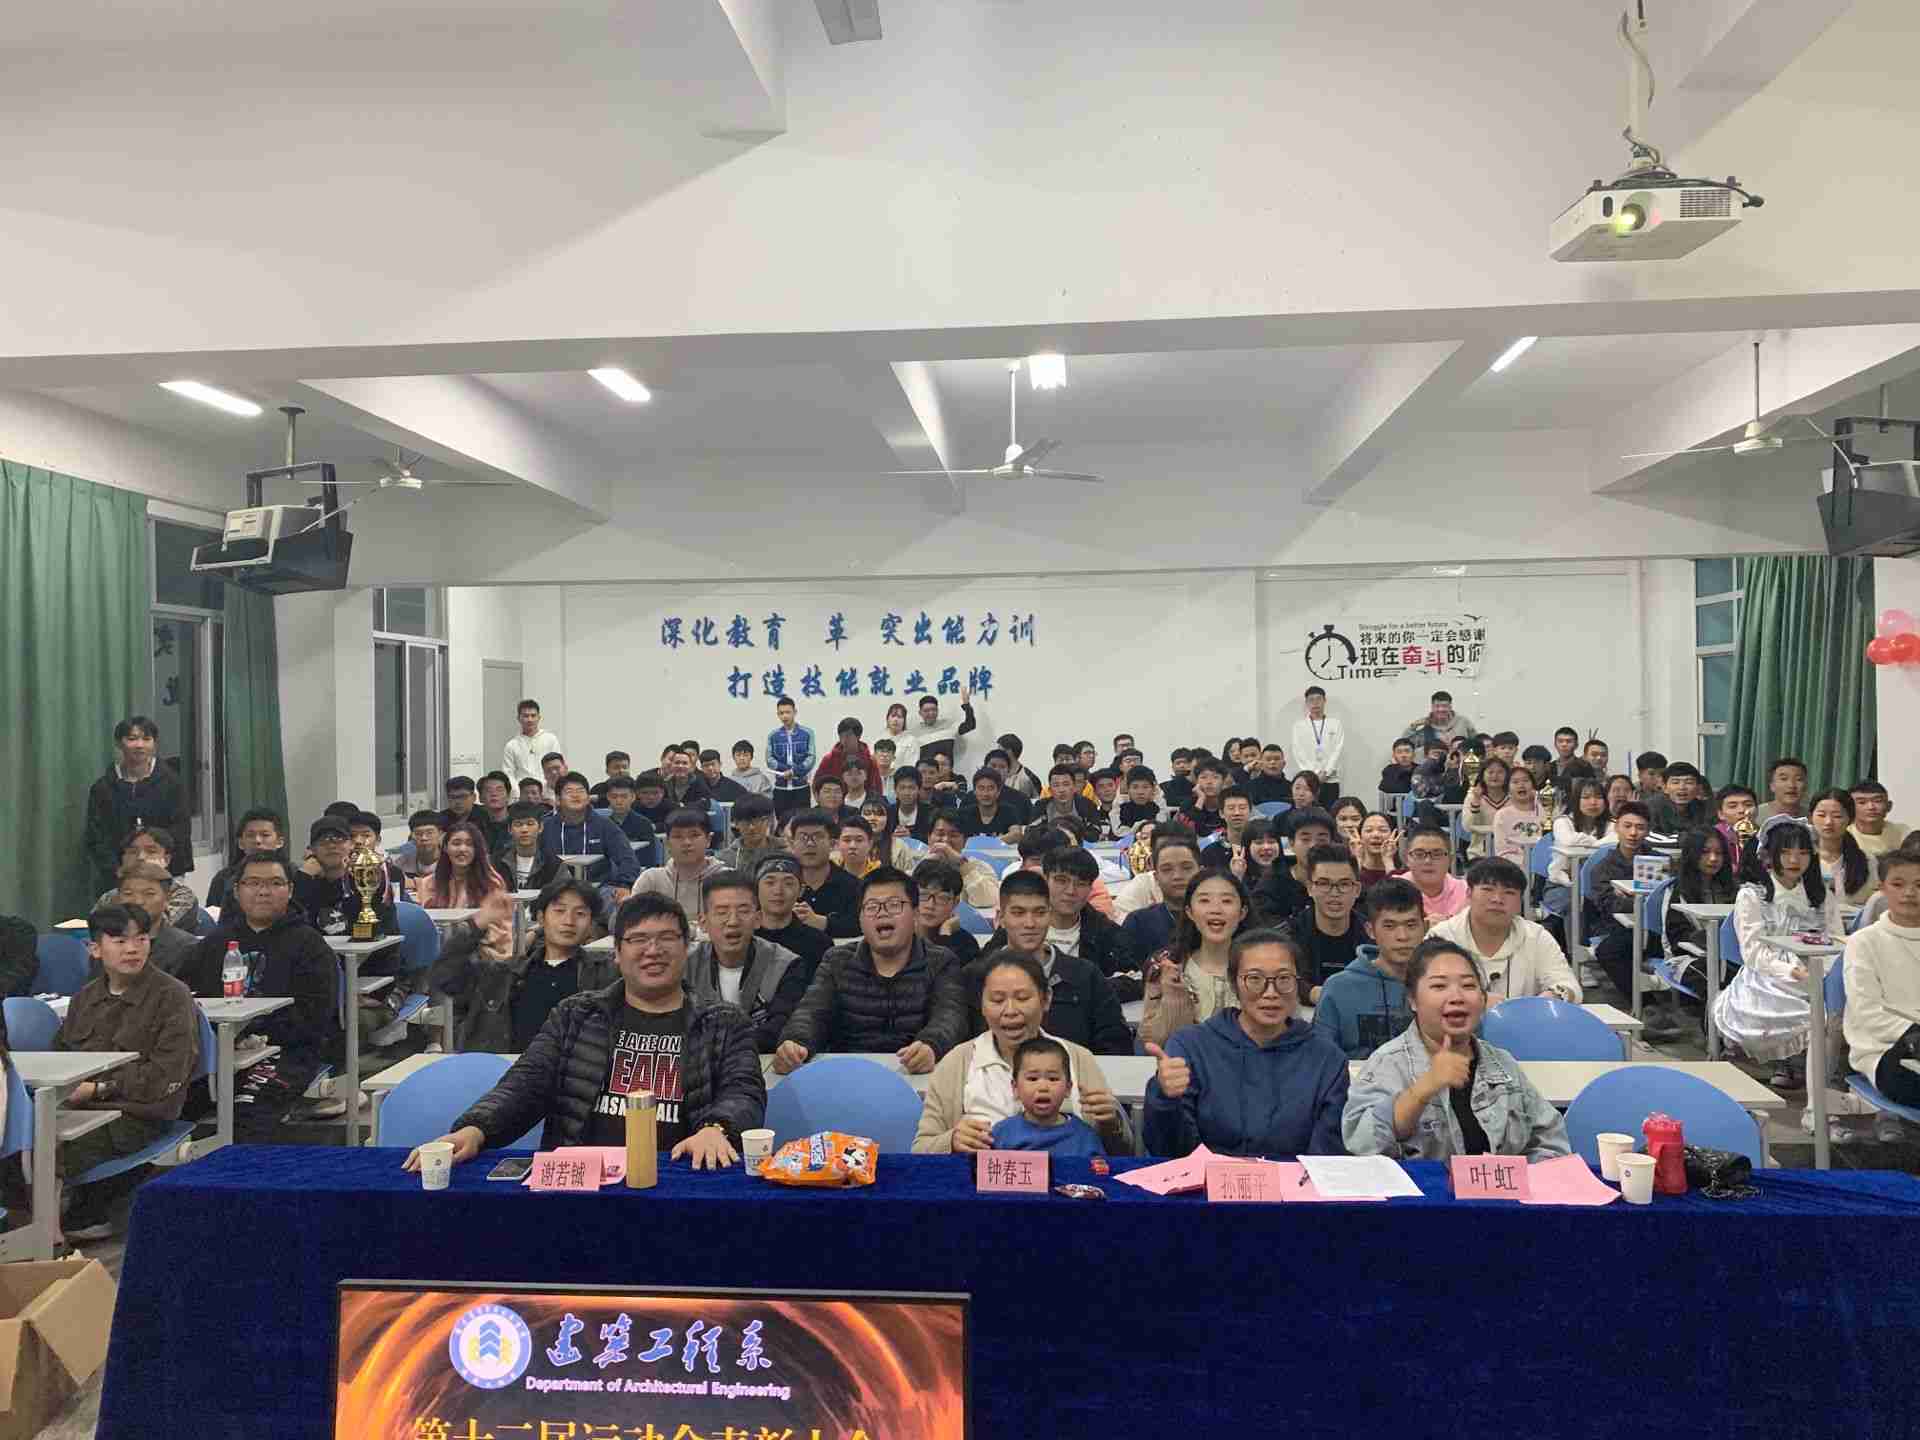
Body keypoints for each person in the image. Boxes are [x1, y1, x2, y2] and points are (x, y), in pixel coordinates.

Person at [406, 893, 766, 1172]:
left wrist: (717, 1129)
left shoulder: (723, 1021)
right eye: (638, 939)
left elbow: (744, 1091)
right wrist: (476, 1128)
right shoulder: (576, 1015)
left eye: (667, 938)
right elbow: (526, 1084)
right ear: (617, 953)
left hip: (681, 1177)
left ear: (687, 948)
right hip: (581, 1181)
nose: (653, 951)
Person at [1343, 938, 1571, 1161]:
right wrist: (1424, 1087)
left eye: (1468, 985)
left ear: (1483, 999)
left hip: (1499, 1187)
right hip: (1420, 1188)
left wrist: (1530, 1176)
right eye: (1439, 986)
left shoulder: (1502, 1064)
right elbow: (1362, 1145)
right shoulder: (1388, 1063)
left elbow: (1550, 1139)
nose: (1457, 997)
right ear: (1412, 999)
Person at [54, 904, 202, 1238]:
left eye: (141, 939)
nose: (133, 949)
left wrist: (98, 1089)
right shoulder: (84, 999)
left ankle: (48, 1241)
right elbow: (60, 1059)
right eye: (120, 941)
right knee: (19, 1142)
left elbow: (165, 1077)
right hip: (79, 1109)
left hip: (138, 1114)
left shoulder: (172, 996)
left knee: (45, 1153)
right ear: (94, 948)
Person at [1142, 929, 1349, 1158]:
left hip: (1295, 1178)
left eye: (1283, 979)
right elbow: (1168, 1149)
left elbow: (1326, 1155)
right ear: (1234, 984)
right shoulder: (1191, 1046)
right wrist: (1163, 1096)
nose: (1271, 993)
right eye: (1255, 979)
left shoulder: (1326, 1058)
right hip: (1208, 1176)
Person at [183, 852, 340, 1139]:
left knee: (250, 1112)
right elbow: (184, 995)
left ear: (290, 890)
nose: (263, 891)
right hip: (219, 1050)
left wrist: (256, 1038)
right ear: (237, 890)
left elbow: (315, 1017)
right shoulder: (215, 943)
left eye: (275, 883)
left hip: (286, 1052)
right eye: (253, 883)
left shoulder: (310, 945)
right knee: (170, 1100)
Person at [913, 954, 1131, 1155]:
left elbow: (1123, 1152)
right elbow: (921, 1149)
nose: (1010, 1011)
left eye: (1023, 998)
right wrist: (951, 1141)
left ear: (1046, 999)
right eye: (997, 1000)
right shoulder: (958, 1062)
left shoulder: (1077, 1058)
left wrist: (1111, 1125)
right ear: (982, 1005)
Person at [773, 867, 968, 1074]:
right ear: (860, 919)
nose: (882, 912)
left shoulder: (941, 961)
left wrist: (931, 1045)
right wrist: (795, 1042)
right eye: (872, 906)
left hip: (915, 1073)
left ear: (915, 913)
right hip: (848, 1074)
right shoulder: (837, 960)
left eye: (894, 905)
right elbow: (811, 1012)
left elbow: (950, 1016)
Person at [1713, 818, 1844, 1106]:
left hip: (1817, 968)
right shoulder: (1753, 894)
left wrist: (1826, 971)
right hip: (1769, 973)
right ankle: (1807, 1083)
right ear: (1769, 855)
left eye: (1803, 852)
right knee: (1813, 1015)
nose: (1795, 860)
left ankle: (1825, 1084)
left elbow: (1836, 940)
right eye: (1786, 852)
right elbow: (1753, 952)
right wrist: (1791, 971)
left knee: (1838, 1007)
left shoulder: (1820, 894)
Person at [967, 870, 1131, 1055]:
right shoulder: (975, 977)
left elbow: (1116, 1047)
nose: (1030, 923)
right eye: (1018, 913)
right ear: (1001, 919)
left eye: (1039, 913)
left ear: (1050, 915)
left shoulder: (1085, 976)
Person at [433, 881, 604, 1052]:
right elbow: (445, 976)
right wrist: (478, 923)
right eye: (559, 911)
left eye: (580, 914)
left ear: (591, 925)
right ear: (541, 919)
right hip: (509, 1065)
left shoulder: (604, 976)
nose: (569, 921)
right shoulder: (504, 975)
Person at [685, 870, 807, 1053]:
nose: (733, 921)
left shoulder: (786, 965)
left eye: (743, 911)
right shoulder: (684, 966)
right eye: (722, 912)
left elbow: (781, 1028)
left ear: (758, 919)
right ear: (703, 922)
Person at [1843, 848, 1920, 1136]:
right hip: (1885, 1051)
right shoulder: (1864, 942)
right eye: (1898, 884)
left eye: (1919, 885)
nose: (1909, 893)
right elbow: (1866, 1011)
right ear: (1882, 888)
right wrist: (1912, 1034)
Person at [1430, 858, 1582, 1003]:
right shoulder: (1442, 936)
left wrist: (1555, 995)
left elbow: (1569, 985)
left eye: (1509, 892)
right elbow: (1427, 991)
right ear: (1469, 894)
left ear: (1520, 901)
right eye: (1487, 889)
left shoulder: (1536, 936)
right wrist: (1476, 1001)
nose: (1497, 899)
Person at [1139, 867, 1251, 1048]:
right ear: (1190, 912)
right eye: (1204, 900)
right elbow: (1151, 1041)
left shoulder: (1264, 970)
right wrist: (1174, 1001)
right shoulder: (1168, 968)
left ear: (1242, 912)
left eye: (1227, 901)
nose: (1216, 909)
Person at [1315, 878, 1423, 1059]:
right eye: (1389, 926)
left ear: (1425, 927)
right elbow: (1321, 1058)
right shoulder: (1338, 988)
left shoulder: (1440, 983)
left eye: (1411, 925)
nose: (1402, 936)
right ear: (1370, 930)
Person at [85, 715, 191, 893]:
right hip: (117, 877)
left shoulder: (173, 784)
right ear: (119, 743)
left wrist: (159, 865)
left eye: (146, 739)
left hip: (166, 872)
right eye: (132, 739)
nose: (140, 745)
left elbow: (180, 831)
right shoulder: (102, 788)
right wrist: (116, 869)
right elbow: (96, 837)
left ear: (154, 744)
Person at [987, 1038, 1109, 1157]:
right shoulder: (1002, 1133)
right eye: (1032, 1079)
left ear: (1068, 1088)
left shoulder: (1085, 1136)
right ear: (1015, 1088)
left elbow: (1099, 1169)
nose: (1043, 1087)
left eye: (1053, 1079)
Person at [1282, 842, 1369, 1004]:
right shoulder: (1288, 935)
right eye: (1324, 883)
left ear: (1357, 889)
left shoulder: (1373, 935)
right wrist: (1312, 993)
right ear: (1310, 888)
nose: (1334, 893)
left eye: (1344, 884)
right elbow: (1279, 977)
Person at [543, 772, 641, 905]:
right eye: (569, 791)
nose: (576, 795)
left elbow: (627, 858)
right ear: (558, 800)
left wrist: (624, 885)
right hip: (554, 891)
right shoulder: (546, 827)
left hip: (598, 889)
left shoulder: (604, 825)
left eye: (580, 791)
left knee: (617, 902)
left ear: (588, 798)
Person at [293, 816, 398, 938]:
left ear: (351, 845)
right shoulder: (303, 882)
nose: (331, 846)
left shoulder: (366, 880)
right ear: (312, 849)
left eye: (339, 839)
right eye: (323, 840)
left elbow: (388, 934)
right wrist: (303, 876)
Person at [633, 809, 726, 929]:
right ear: (667, 843)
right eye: (677, 836)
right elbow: (629, 921)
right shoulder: (651, 880)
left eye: (694, 835)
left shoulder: (727, 878)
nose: (686, 842)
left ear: (708, 840)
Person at [94, 826, 198, 928]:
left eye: (151, 851)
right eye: (133, 852)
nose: (140, 857)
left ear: (166, 860)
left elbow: (155, 926)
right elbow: (94, 929)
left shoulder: (181, 894)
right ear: (123, 859)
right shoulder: (109, 897)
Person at [1122, 830, 1202, 959]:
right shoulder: (1138, 923)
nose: (1177, 876)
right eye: (1167, 869)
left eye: (1186, 868)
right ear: (1156, 877)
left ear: (1200, 871)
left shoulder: (1218, 917)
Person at [787, 809, 863, 938]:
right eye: (803, 837)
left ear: (832, 844)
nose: (810, 843)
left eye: (817, 837)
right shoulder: (782, 884)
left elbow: (861, 925)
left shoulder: (854, 886)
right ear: (792, 843)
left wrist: (823, 923)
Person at [113, 862, 198, 976]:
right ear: (118, 899)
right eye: (128, 894)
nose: (138, 901)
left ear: (167, 899)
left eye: (149, 894)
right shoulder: (107, 945)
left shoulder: (186, 947)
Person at [752, 853, 832, 972]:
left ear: (801, 890)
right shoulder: (744, 938)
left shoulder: (819, 943)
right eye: (770, 883)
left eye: (788, 883)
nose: (778, 891)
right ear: (755, 888)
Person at [1255, 808, 1334, 923]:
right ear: (1291, 844)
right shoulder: (1271, 884)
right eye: (1305, 839)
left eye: (1321, 840)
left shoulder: (1341, 879)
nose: (1313, 846)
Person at [205, 808, 288, 914]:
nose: (257, 840)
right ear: (241, 843)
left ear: (280, 842)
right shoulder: (223, 878)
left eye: (265, 835)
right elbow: (213, 916)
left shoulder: (293, 875)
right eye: (250, 835)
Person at [1808, 788, 1876, 906]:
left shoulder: (1867, 861)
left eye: (1837, 816)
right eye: (1821, 815)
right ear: (1810, 817)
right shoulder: (1802, 858)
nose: (1828, 822)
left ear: (1850, 819)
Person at [922, 812, 1003, 910]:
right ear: (929, 837)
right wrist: (925, 865)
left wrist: (962, 865)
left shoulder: (979, 867)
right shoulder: (919, 864)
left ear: (965, 841)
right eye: (940, 834)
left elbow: (988, 901)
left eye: (953, 835)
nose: (946, 841)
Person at [911, 858, 982, 966]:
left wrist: (945, 936)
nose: (930, 905)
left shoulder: (966, 945)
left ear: (955, 902)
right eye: (923, 895)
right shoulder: (899, 937)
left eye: (942, 898)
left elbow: (943, 973)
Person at [1393, 823, 1469, 921]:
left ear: (1450, 860)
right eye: (1419, 854)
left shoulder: (1466, 891)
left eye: (1437, 854)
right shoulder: (1392, 890)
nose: (1428, 861)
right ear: (1406, 859)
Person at [493, 800, 565, 893]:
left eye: (530, 824)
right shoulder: (496, 862)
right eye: (518, 824)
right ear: (509, 829)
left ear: (540, 827)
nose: (524, 830)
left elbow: (564, 895)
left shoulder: (554, 864)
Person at [1290, 686, 1345, 805]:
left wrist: (1326, 772)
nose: (1315, 703)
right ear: (1306, 703)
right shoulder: (1299, 726)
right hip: (1308, 781)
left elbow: (1338, 750)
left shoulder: (1335, 724)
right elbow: (1298, 751)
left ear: (1324, 701)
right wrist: (1314, 775)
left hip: (1330, 779)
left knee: (1330, 811)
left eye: (1318, 699)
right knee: (1308, 810)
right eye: (1311, 700)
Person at [766, 696, 817, 819]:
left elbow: (811, 758)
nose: (785, 716)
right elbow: (769, 759)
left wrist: (794, 771)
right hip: (780, 788)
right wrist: (784, 770)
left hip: (801, 788)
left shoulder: (807, 733)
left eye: (788, 712)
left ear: (795, 712)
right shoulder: (773, 735)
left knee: (803, 822)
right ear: (778, 714)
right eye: (781, 713)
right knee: (781, 822)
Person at [1489, 764, 1545, 869]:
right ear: (1508, 789)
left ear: (1533, 786)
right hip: (1513, 868)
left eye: (1526, 781)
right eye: (1515, 782)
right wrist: (1525, 861)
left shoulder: (1545, 810)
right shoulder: (1502, 815)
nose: (1521, 785)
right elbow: (1501, 851)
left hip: (1544, 864)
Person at [908, 690, 977, 773]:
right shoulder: (914, 734)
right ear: (920, 713)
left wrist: (967, 705)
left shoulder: (949, 725)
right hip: (927, 777)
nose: (931, 713)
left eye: (934, 709)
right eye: (926, 711)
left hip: (947, 775)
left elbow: (970, 725)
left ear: (937, 710)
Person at [717, 793, 783, 874]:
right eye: (746, 821)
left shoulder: (784, 851)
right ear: (736, 823)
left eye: (757, 821)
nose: (752, 827)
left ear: (769, 821)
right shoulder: (725, 859)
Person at [502, 699, 559, 791]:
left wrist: (550, 789)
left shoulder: (551, 739)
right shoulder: (511, 745)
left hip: (547, 792)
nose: (530, 719)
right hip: (521, 793)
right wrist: (518, 792)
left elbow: (557, 768)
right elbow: (508, 774)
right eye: (526, 716)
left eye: (533, 715)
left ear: (539, 717)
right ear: (519, 718)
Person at [1461, 757, 1510, 861]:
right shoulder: (1472, 796)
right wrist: (1476, 802)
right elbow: (1467, 826)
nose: (1495, 776)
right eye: (1490, 772)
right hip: (1479, 853)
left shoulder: (1514, 797)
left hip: (1510, 852)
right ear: (1482, 775)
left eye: (1500, 772)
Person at [956, 767, 1022, 840]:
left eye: (990, 788)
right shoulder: (964, 814)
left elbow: (1016, 834)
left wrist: (988, 842)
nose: (985, 794)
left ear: (998, 791)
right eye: (981, 788)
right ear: (974, 791)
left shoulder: (1008, 811)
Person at [1849, 780, 1909, 860]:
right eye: (1862, 802)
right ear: (1850, 807)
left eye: (1877, 801)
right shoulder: (1843, 836)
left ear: (1889, 806)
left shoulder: (1903, 832)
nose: (1871, 807)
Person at [1199, 787, 1256, 867]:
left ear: (1250, 812)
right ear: (1221, 813)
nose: (1237, 813)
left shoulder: (1260, 846)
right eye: (1231, 808)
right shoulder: (1210, 852)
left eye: (1242, 808)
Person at [1401, 690, 1475, 751]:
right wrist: (1413, 726)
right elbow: (1405, 745)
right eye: (1437, 706)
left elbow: (1476, 743)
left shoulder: (1463, 722)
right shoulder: (1426, 726)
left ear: (1450, 707)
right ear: (1432, 707)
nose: (1441, 709)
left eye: (1444, 706)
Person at [1235, 818, 1287, 894]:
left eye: (1271, 842)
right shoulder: (1238, 875)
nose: (1266, 847)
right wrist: (1238, 877)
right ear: (1247, 847)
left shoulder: (1291, 871)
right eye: (1259, 843)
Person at [1181, 758, 1229, 839]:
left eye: (1215, 777)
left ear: (1223, 782)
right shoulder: (1187, 804)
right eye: (1203, 777)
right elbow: (1187, 832)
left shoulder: (1230, 804)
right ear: (1196, 782)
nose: (1209, 782)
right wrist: (1200, 799)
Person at [473, 772, 516, 855]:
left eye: (499, 790)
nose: (494, 794)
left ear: (508, 796)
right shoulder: (474, 829)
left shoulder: (518, 825)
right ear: (480, 798)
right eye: (488, 790)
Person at [889, 765, 934, 842]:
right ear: (895, 790)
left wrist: (912, 837)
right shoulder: (887, 812)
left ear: (919, 789)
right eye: (902, 788)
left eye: (911, 788)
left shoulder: (931, 813)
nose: (907, 793)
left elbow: (932, 838)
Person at [1757, 756, 1810, 821]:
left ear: (1806, 786)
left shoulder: (1812, 817)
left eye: (1798, 779)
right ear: (1772, 786)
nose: (1791, 785)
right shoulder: (1756, 815)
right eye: (1784, 779)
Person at [1354, 811, 1398, 889]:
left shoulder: (1404, 873)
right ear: (1359, 835)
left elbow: (1398, 892)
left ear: (1393, 835)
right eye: (1369, 830)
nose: (1376, 835)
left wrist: (1388, 861)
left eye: (1383, 830)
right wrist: (1358, 859)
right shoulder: (1350, 868)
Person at [880, 703, 922, 775]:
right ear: (887, 719)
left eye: (899, 717)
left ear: (904, 721)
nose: (896, 720)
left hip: (902, 778)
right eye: (893, 716)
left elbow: (911, 766)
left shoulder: (911, 741)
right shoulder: (879, 740)